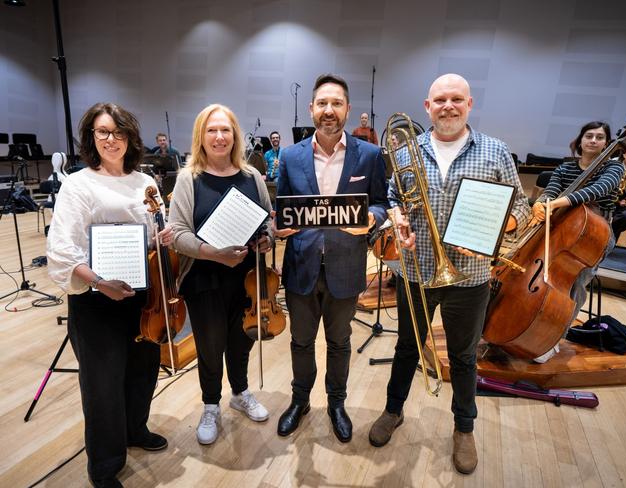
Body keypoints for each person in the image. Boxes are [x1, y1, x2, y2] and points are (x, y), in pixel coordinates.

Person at [368, 74, 530, 475]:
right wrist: (396, 219)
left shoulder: (494, 151)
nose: (448, 106)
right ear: (427, 107)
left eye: (457, 99)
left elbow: (522, 210)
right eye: (440, 99)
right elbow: (392, 198)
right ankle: (393, 410)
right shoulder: (407, 151)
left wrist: (496, 231)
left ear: (469, 104)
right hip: (416, 270)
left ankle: (463, 428)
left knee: (462, 357)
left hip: (470, 277)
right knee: (407, 347)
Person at [47, 102, 173, 488]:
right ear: (91, 137)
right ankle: (104, 464)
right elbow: (61, 248)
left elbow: (153, 232)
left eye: (118, 132)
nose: (111, 139)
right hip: (96, 299)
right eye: (103, 132)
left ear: (130, 138)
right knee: (102, 383)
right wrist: (99, 281)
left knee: (143, 369)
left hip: (141, 297)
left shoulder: (145, 182)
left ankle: (135, 429)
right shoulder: (78, 184)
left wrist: (161, 237)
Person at [274, 74, 388, 443]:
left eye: (336, 103)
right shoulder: (290, 156)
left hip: (346, 267)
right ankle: (300, 400)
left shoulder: (369, 155)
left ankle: (337, 404)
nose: (329, 110)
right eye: (322, 103)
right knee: (301, 342)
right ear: (311, 109)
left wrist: (373, 218)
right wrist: (279, 227)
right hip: (300, 267)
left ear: (347, 109)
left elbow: (381, 203)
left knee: (340, 343)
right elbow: (283, 209)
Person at [168, 104, 272, 446]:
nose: (219, 136)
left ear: (235, 135)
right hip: (204, 277)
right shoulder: (189, 179)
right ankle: (211, 404)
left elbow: (267, 220)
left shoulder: (251, 177)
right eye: (211, 130)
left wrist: (266, 239)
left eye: (225, 130)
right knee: (211, 347)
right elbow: (178, 232)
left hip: (245, 276)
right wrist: (211, 252)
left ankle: (240, 393)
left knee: (242, 339)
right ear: (201, 136)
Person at [530, 120, 624, 327]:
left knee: (573, 281)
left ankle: (556, 334)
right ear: (580, 141)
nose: (593, 140)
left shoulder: (614, 167)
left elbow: (597, 190)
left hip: (596, 235)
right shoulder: (565, 168)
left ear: (607, 143)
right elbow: (550, 190)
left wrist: (556, 203)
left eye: (600, 138)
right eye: (589, 136)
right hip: (561, 226)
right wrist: (540, 203)